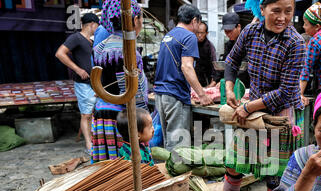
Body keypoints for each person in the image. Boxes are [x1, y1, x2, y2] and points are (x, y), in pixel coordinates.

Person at [223, 0, 306, 191]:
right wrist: (230, 89)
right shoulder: (251, 31)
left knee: (275, 175)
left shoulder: (296, 43)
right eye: (276, 11)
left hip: (280, 111)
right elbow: (232, 61)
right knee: (234, 163)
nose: (282, 18)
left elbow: (285, 91)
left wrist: (248, 107)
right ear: (262, 9)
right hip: (253, 106)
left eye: (288, 11)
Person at [91, 0, 149, 162]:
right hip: (122, 118)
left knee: (106, 166)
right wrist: (143, 121)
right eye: (141, 21)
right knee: (125, 166)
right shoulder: (129, 52)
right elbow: (132, 94)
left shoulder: (99, 48)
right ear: (135, 19)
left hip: (101, 113)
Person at [153, 4, 214, 151]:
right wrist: (202, 95)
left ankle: (168, 173)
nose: (198, 27)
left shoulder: (169, 35)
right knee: (179, 146)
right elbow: (186, 67)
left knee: (169, 142)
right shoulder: (189, 36)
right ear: (194, 20)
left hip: (161, 95)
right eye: (199, 23)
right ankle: (176, 174)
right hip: (175, 96)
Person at [55, 12, 99, 155]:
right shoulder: (76, 38)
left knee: (94, 113)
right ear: (92, 24)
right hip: (83, 84)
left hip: (94, 84)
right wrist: (77, 69)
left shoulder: (90, 42)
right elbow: (60, 53)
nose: (97, 29)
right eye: (97, 26)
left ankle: (95, 141)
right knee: (86, 115)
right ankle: (88, 144)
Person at [211, 12, 250, 88]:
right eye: (226, 31)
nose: (228, 34)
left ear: (238, 27)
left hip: (245, 83)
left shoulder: (247, 42)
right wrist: (215, 81)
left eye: (230, 31)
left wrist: (227, 80)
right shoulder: (229, 44)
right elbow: (225, 63)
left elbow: (244, 66)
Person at [194, 22, 218, 88]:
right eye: (197, 33)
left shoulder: (210, 47)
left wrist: (212, 83)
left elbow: (214, 65)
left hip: (206, 80)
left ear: (206, 33)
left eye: (202, 33)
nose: (199, 35)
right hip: (194, 80)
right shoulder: (192, 45)